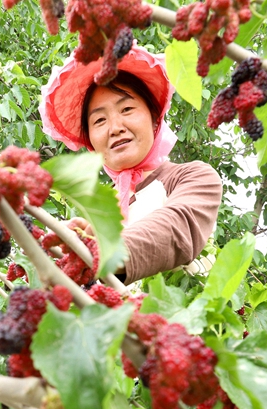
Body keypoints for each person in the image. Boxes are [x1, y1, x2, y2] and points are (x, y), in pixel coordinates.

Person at [40, 44, 223, 284]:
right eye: (99, 120)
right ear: (90, 142)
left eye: (126, 109)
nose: (115, 128)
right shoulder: (100, 209)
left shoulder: (194, 177)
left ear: (155, 118)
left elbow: (177, 227)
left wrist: (100, 251)